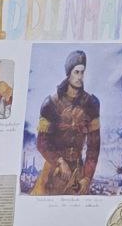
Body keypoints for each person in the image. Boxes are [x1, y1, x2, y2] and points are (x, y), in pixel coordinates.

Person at [34, 49, 103, 193]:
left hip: (78, 172)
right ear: (69, 73)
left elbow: (94, 146)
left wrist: (87, 177)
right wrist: (59, 161)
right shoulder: (50, 104)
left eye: (82, 72)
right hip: (53, 170)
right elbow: (41, 143)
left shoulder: (91, 104)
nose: (80, 77)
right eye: (76, 72)